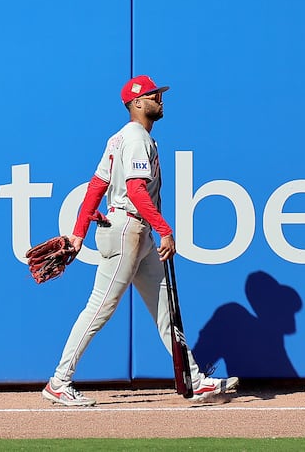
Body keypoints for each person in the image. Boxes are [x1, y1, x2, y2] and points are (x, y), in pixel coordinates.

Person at [41, 75, 239, 406]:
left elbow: (95, 186)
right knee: (101, 307)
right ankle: (59, 381)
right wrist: (164, 229)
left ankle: (194, 379)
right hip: (127, 229)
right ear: (136, 104)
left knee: (167, 308)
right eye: (153, 95)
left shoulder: (120, 139)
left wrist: (78, 235)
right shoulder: (134, 140)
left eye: (159, 94)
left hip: (137, 231)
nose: (159, 99)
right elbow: (134, 189)